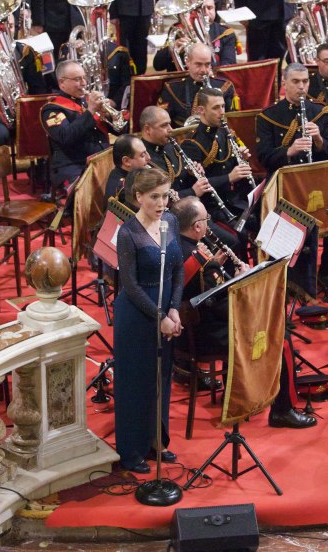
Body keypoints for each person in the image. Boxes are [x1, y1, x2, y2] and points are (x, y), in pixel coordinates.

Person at [171, 197, 315, 428]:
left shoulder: (173, 247)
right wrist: (243, 283)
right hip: (206, 336)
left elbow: (203, 291)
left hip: (183, 333)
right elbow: (226, 308)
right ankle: (283, 410)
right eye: (206, 219)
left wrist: (217, 270)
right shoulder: (204, 263)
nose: (208, 222)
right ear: (197, 226)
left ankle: (242, 388)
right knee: (280, 335)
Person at [113, 167, 184, 473]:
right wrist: (159, 317)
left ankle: (156, 440)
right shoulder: (128, 233)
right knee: (136, 383)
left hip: (165, 311)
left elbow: (178, 268)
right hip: (137, 315)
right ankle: (132, 451)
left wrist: (174, 309)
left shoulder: (171, 221)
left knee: (161, 378)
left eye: (165, 196)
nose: (161, 203)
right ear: (138, 196)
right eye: (154, 197)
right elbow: (130, 285)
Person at [179, 88, 254, 222]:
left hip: (232, 200)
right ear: (201, 110)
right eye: (216, 108)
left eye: (223, 106)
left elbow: (231, 167)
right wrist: (229, 177)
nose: (222, 112)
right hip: (210, 208)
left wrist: (242, 160)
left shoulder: (225, 133)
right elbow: (197, 185)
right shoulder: (191, 143)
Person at [40, 60, 110, 190]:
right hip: (74, 165)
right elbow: (66, 136)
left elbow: (117, 129)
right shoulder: (52, 109)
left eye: (84, 78)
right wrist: (90, 112)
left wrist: (110, 116)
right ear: (62, 83)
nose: (84, 83)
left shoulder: (86, 102)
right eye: (77, 79)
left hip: (102, 160)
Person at [255, 62, 328, 174]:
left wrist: (318, 140)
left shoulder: (321, 112)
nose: (301, 86)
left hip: (314, 175)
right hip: (282, 176)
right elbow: (263, 158)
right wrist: (289, 151)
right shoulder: (268, 115)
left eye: (305, 81)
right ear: (284, 84)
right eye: (295, 81)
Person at [156, 43, 237, 127]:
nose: (203, 70)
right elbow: (161, 123)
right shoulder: (172, 88)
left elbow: (232, 122)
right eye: (198, 64)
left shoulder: (225, 86)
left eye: (207, 64)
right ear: (187, 62)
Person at [152, 0, 238, 72]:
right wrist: (172, 49)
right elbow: (158, 65)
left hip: (214, 79)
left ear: (215, 9)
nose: (206, 12)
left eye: (210, 8)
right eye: (200, 9)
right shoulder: (179, 30)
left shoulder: (225, 33)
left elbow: (228, 65)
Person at [104, 134, 150, 208]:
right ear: (126, 161)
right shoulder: (124, 190)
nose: (149, 158)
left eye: (146, 152)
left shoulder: (123, 173)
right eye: (142, 155)